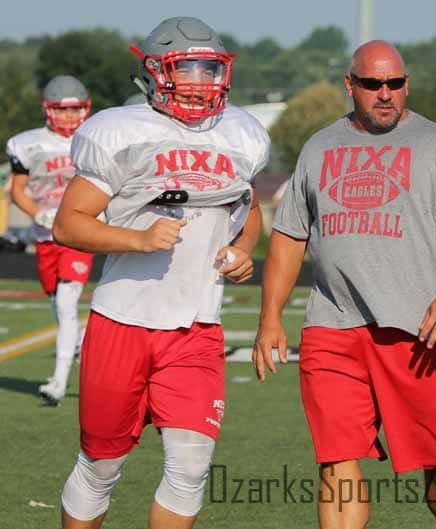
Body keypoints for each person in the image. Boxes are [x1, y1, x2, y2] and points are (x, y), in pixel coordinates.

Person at [253, 40, 436, 529]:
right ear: (350, 85)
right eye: (372, 84)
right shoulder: (319, 146)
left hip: (416, 330)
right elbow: (290, 236)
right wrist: (270, 317)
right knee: (337, 460)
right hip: (332, 331)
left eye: (395, 83)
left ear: (407, 84)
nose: (385, 94)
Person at [53, 17, 269, 529]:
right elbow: (68, 225)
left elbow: (248, 206)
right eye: (186, 68)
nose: (199, 82)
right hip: (123, 321)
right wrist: (138, 239)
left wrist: (242, 247)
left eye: (209, 69)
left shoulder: (240, 134)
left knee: (190, 467)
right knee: (101, 466)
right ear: (153, 73)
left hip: (196, 327)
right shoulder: (120, 131)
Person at [6, 75, 93, 405]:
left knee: (67, 304)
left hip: (80, 232)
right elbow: (17, 189)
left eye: (75, 110)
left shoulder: (92, 140)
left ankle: (58, 382)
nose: (70, 117)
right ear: (48, 110)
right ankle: (86, 350)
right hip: (46, 234)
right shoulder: (27, 143)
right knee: (57, 304)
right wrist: (37, 212)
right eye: (62, 110)